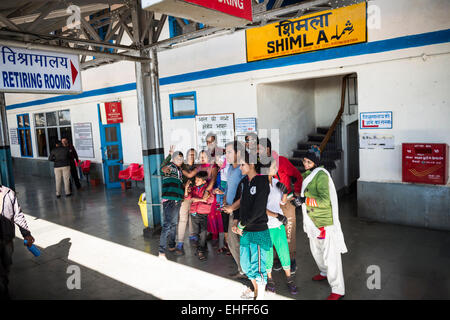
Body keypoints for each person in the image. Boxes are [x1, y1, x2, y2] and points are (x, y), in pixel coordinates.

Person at [292, 146, 348, 300]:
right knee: (316, 251)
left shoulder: (321, 175)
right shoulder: (309, 175)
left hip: (324, 222)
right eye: (304, 161)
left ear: (316, 163)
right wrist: (297, 198)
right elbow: (307, 195)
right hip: (312, 222)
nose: (305, 164)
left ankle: (338, 289)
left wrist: (304, 200)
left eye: (309, 161)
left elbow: (324, 201)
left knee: (331, 257)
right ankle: (324, 272)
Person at [258, 138, 303, 273]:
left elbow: (297, 175)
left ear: (267, 150)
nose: (257, 152)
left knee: (288, 232)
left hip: (286, 202)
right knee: (274, 233)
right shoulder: (261, 165)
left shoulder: (281, 161)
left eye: (259, 149)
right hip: (271, 205)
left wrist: (296, 192)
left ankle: (291, 260)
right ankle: (278, 259)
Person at [234, 151, 271, 300]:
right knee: (245, 265)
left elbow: (258, 210)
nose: (240, 167)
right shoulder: (243, 182)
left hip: (258, 231)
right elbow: (239, 201)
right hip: (245, 231)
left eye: (242, 164)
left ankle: (260, 296)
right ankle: (255, 290)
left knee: (258, 267)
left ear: (252, 165)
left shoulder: (262, 182)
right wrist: (236, 221)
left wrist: (241, 225)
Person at [264, 158, 298, 295]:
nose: (276, 168)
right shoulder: (260, 185)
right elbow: (260, 208)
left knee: (283, 251)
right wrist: (277, 216)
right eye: (273, 166)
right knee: (268, 253)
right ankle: (269, 278)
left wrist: (284, 194)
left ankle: (289, 278)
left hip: (278, 226)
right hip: (265, 225)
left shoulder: (277, 183)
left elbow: (282, 203)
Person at [162, 146, 199, 255]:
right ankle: (180, 243)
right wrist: (185, 187)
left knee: (193, 217)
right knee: (183, 219)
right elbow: (178, 179)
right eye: (189, 154)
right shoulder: (182, 167)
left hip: (195, 196)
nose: (191, 156)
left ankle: (193, 236)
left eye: (193, 154)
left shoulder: (197, 167)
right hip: (184, 196)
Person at [0, 185, 35, 300]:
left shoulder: (8, 192)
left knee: (6, 265)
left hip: (7, 239)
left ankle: (4, 286)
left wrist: (27, 234)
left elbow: (18, 215)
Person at [221, 141, 247, 279]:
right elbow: (227, 188)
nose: (227, 155)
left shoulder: (243, 170)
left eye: (229, 152)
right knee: (232, 242)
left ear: (239, 153)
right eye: (226, 152)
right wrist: (225, 201)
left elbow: (245, 195)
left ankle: (246, 271)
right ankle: (242, 269)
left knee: (239, 242)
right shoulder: (230, 168)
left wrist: (232, 207)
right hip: (230, 210)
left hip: (240, 212)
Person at [159, 151, 185, 259]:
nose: (180, 160)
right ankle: (161, 251)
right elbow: (162, 169)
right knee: (167, 225)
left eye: (181, 158)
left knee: (174, 224)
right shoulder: (170, 166)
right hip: (169, 200)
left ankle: (171, 245)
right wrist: (168, 156)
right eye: (178, 158)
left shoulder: (180, 171)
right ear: (173, 159)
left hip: (177, 201)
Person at [184, 171, 215, 261]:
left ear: (204, 181)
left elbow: (210, 200)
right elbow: (188, 198)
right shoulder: (193, 188)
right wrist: (186, 188)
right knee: (196, 232)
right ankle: (201, 248)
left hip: (203, 213)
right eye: (195, 179)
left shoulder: (207, 190)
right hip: (194, 213)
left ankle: (200, 250)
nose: (196, 181)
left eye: (198, 180)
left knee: (203, 232)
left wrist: (197, 199)